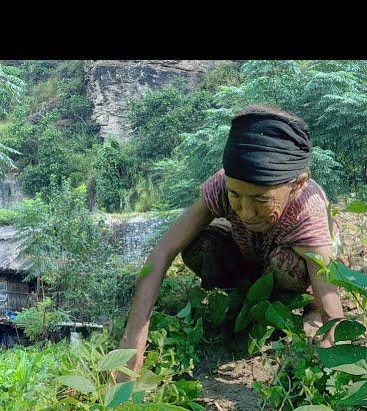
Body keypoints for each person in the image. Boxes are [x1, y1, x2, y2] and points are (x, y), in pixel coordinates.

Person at [120, 104, 344, 375]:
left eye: (261, 200)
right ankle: (243, 300)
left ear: (296, 184)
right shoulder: (222, 184)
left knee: (290, 264)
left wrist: (332, 343)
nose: (246, 212)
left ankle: (296, 307)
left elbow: (329, 293)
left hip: (293, 272)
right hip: (252, 259)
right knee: (200, 245)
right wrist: (132, 342)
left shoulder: (308, 208)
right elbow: (162, 252)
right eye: (235, 196)